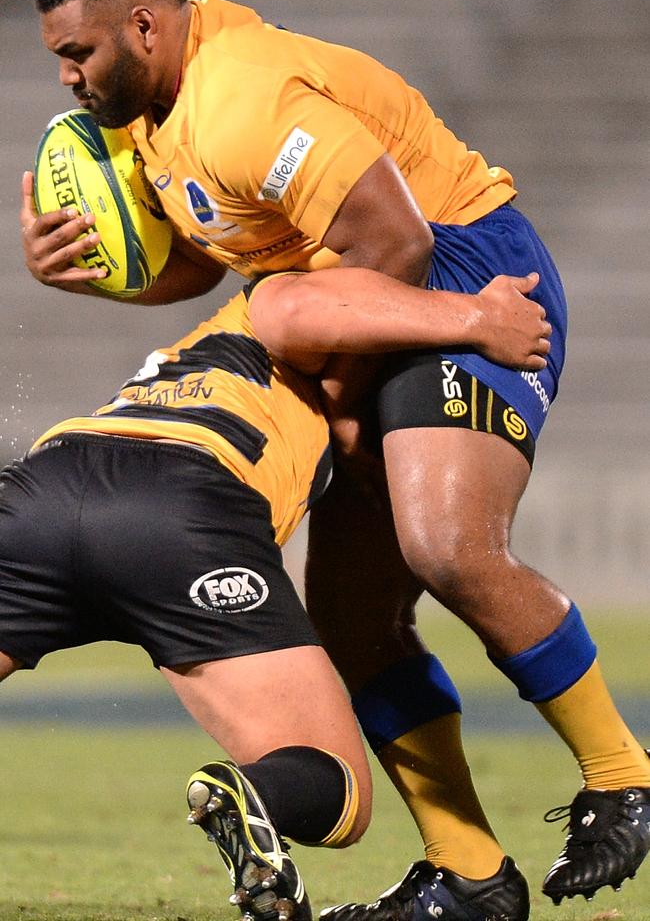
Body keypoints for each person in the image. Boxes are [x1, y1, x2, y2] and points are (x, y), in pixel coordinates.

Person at [22, 0, 650, 918]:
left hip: (458, 273)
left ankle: (622, 776)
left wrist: (347, 415)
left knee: (444, 543)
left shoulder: (242, 99)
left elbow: (393, 239)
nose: (65, 78)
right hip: (359, 298)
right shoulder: (155, 115)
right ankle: (471, 876)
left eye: (77, 53)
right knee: (354, 625)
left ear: (142, 26)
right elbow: (204, 257)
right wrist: (97, 277)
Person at [0, 267, 547, 921]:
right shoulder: (291, 307)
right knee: (339, 793)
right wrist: (480, 320)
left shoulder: (202, 346)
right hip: (184, 507)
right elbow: (306, 301)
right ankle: (253, 796)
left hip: (41, 489)